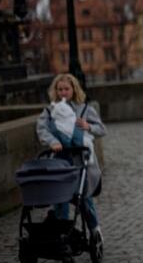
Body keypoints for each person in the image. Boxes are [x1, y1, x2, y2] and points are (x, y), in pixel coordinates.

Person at [35, 73, 106, 242]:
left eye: (66, 89)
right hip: (60, 159)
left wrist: (88, 126)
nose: (63, 93)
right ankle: (63, 231)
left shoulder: (85, 108)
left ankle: (94, 229)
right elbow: (41, 129)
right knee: (60, 198)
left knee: (84, 198)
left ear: (73, 89)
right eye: (59, 89)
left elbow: (102, 129)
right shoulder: (50, 110)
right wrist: (52, 141)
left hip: (81, 160)